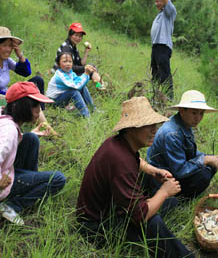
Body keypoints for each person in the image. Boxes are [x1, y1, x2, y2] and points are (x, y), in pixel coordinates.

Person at [77, 96, 195, 258]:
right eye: (148, 126)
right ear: (131, 128)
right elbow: (140, 217)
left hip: (111, 206)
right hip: (96, 227)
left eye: (155, 125)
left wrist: (153, 171)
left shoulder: (117, 143)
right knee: (153, 221)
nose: (155, 130)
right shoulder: (122, 162)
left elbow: (137, 160)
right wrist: (164, 192)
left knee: (169, 200)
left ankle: (148, 203)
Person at [0, 82, 66, 225]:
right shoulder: (8, 131)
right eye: (35, 106)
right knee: (58, 179)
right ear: (22, 106)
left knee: (31, 139)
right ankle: (11, 204)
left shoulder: (1, 115)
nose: (39, 111)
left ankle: (25, 187)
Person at [0, 26, 54, 135]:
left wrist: (19, 55)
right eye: (4, 45)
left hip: (4, 96)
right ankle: (46, 126)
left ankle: (39, 117)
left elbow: (25, 72)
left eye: (10, 46)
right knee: (27, 95)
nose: (8, 49)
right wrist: (16, 94)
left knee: (37, 81)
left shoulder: (6, 60)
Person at [147, 90, 218, 200]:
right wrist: (204, 159)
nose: (198, 118)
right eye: (194, 113)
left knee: (211, 163)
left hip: (174, 167)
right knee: (204, 174)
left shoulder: (184, 124)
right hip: (163, 177)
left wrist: (207, 157)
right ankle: (182, 199)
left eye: (201, 113)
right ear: (182, 111)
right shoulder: (172, 134)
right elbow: (180, 170)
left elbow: (189, 152)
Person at [53, 22, 105, 90]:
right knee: (91, 69)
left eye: (80, 36)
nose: (78, 38)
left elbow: (80, 63)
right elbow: (68, 67)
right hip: (64, 74)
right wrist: (86, 69)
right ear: (70, 35)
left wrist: (86, 52)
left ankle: (101, 86)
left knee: (91, 67)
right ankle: (101, 87)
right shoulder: (66, 48)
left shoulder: (74, 47)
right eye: (76, 35)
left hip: (70, 71)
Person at [46, 51, 96, 117]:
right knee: (73, 92)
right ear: (58, 64)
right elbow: (76, 86)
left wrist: (87, 73)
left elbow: (79, 81)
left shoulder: (71, 73)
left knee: (83, 88)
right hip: (53, 102)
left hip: (62, 97)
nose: (68, 64)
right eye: (64, 61)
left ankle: (92, 109)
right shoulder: (60, 75)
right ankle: (86, 115)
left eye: (70, 61)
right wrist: (86, 73)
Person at [150, 0, 176, 100]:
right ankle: (156, 95)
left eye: (159, 1)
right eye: (155, 1)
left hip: (163, 46)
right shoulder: (160, 14)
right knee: (155, 73)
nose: (157, 3)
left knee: (164, 72)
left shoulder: (169, 12)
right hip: (156, 46)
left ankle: (169, 98)